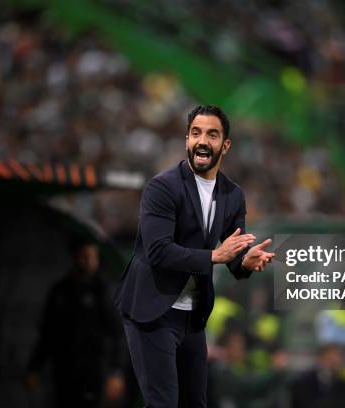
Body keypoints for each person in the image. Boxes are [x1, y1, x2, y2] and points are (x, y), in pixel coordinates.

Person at [115, 105, 275, 407]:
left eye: (212, 134)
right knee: (163, 403)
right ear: (187, 140)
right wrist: (215, 255)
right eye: (195, 133)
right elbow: (158, 251)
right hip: (152, 308)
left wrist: (246, 261)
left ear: (225, 146)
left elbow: (233, 255)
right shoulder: (161, 187)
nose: (202, 141)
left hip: (192, 315)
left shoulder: (233, 195)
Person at [26, 239, 127, 408]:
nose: (89, 261)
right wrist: (34, 367)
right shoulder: (60, 291)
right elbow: (48, 334)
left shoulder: (103, 290)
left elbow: (118, 333)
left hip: (93, 371)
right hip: (64, 370)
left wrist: (116, 371)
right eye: (84, 256)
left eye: (93, 257)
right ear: (74, 257)